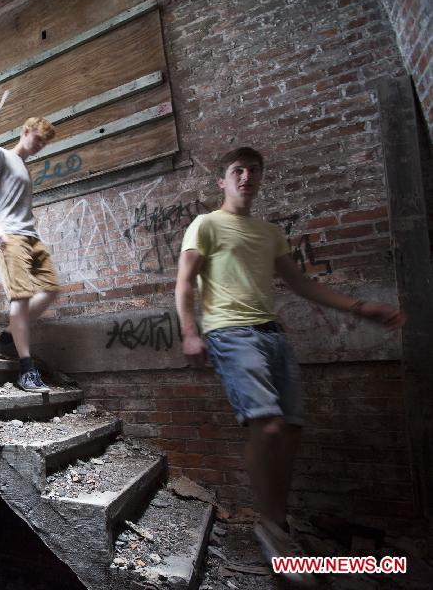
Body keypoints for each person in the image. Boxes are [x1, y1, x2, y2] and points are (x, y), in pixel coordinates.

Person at [174, 146, 405, 585]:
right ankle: (271, 526)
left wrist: (360, 307)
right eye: (236, 171)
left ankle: (276, 524)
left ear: (259, 179)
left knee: (292, 426)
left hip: (273, 335)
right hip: (230, 332)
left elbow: (300, 284)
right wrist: (189, 331)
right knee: (268, 424)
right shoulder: (205, 225)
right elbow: (185, 281)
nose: (246, 177)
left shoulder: (269, 232)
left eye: (253, 171)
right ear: (222, 181)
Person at [0, 116, 59, 392]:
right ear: (25, 131)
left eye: (44, 143)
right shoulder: (0, 154)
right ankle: (26, 369)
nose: (40, 146)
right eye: (38, 139)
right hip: (9, 236)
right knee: (21, 297)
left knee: (50, 290)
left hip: (31, 236)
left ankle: (7, 338)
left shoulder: (25, 169)